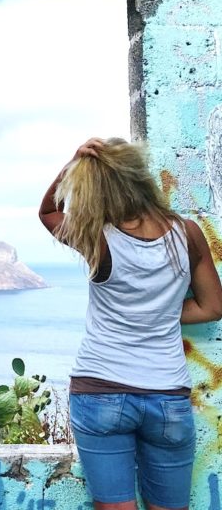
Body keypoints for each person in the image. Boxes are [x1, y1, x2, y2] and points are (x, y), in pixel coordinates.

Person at [38, 137, 222, 510]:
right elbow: (213, 306)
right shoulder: (186, 234)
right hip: (166, 395)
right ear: (140, 176)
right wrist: (164, 312)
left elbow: (49, 214)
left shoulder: (98, 238)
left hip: (100, 391)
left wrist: (72, 162)